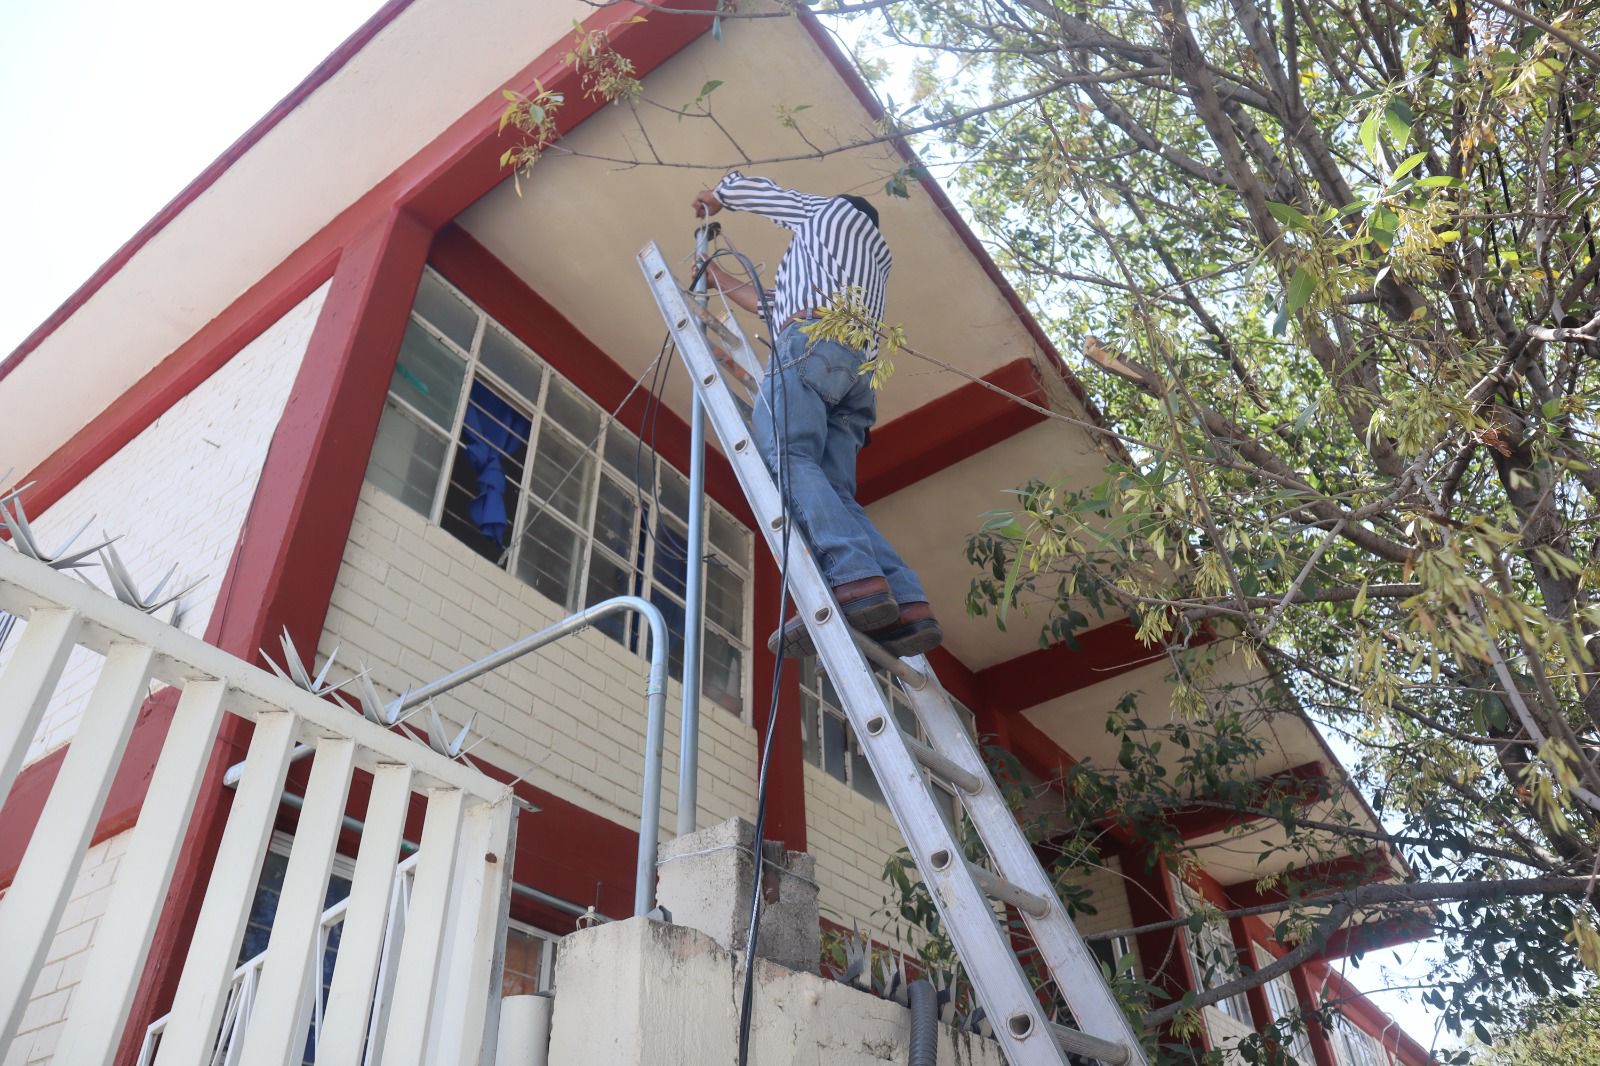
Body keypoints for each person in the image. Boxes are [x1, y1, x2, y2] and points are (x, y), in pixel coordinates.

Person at [692, 171, 941, 659]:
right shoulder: (867, 268)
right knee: (834, 491)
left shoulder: (831, 214)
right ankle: (905, 602)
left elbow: (774, 195)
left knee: (784, 455)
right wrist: (720, 281)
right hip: (855, 371)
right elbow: (774, 305)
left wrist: (720, 194)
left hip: (811, 347)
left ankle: (850, 579)